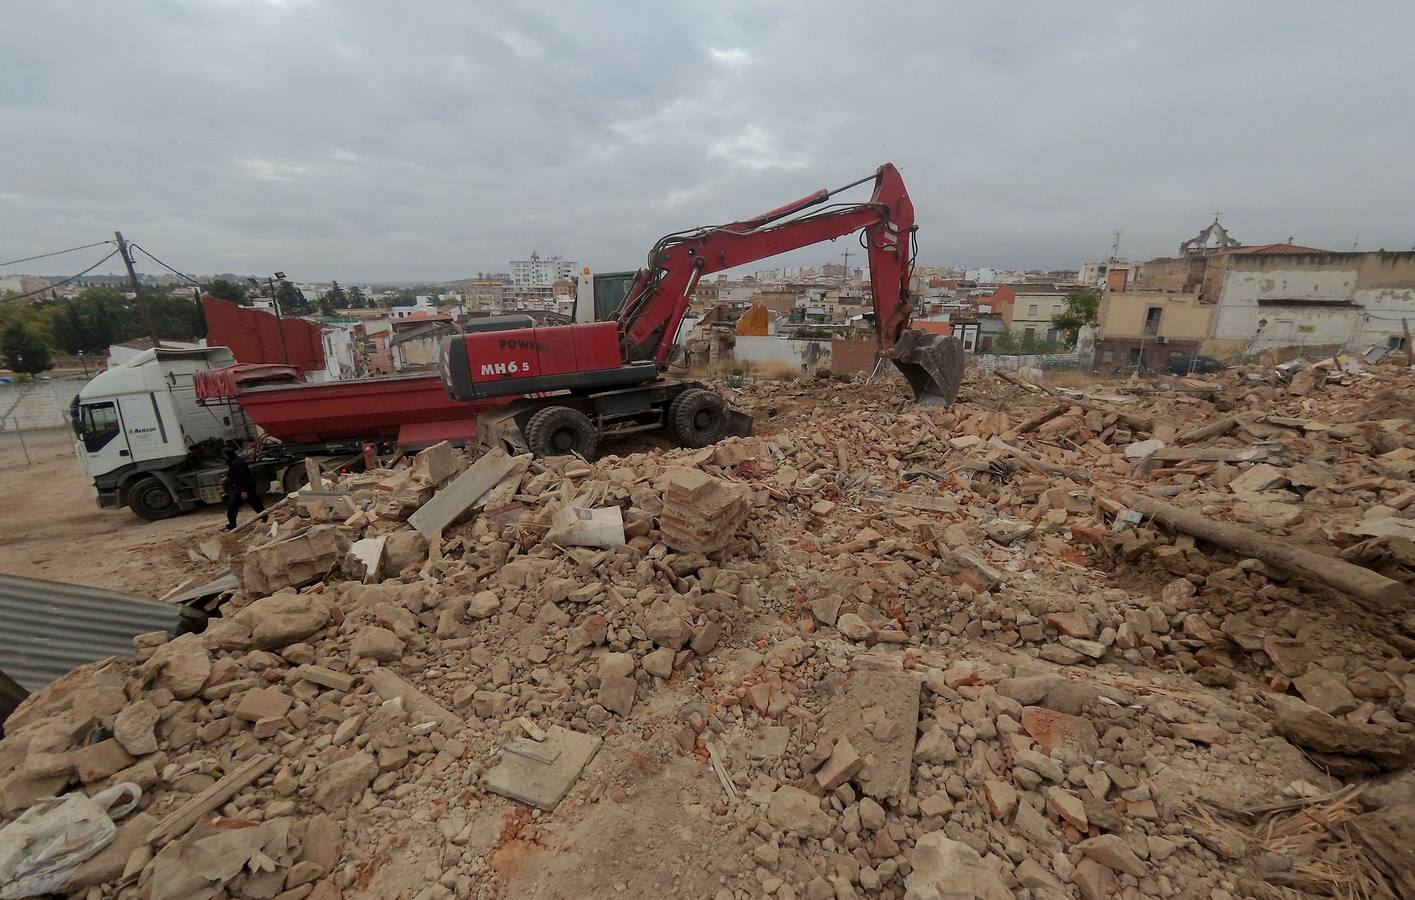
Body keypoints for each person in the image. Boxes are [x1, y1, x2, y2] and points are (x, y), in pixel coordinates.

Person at [225, 447, 265, 530]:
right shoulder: (237, 460)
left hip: (242, 487)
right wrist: (228, 477)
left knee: (232, 506)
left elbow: (243, 477)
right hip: (247, 486)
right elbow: (235, 473)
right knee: (255, 503)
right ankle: (264, 516)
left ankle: (232, 525)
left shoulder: (236, 463)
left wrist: (244, 491)